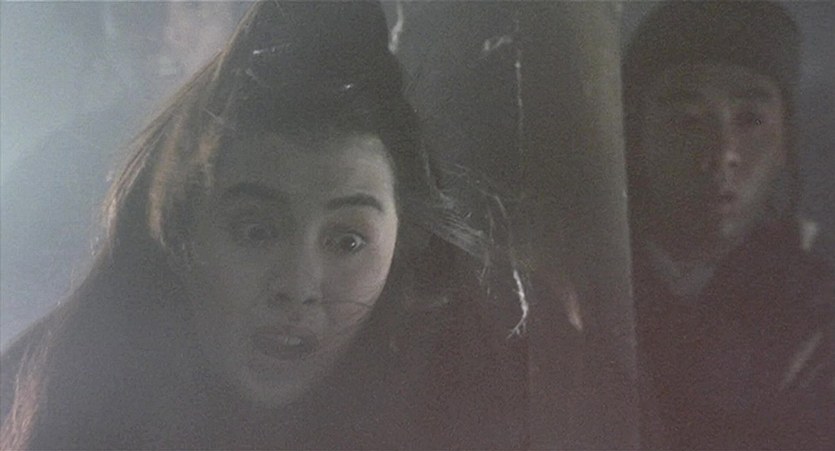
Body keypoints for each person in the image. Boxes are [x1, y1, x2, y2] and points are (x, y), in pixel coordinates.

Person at [0, 2, 526, 449]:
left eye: (348, 241)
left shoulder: (470, 399)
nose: (297, 287)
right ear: (182, 230)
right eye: (256, 232)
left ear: (405, 242)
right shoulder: (50, 391)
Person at [623, 2, 835, 449]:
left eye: (751, 120)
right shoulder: (569, 294)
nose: (722, 154)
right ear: (635, 139)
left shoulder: (817, 310)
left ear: (785, 144)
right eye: (687, 121)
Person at [0, 1, 246, 346]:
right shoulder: (53, 171)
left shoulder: (282, 155)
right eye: (139, 5)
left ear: (238, 19)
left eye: (193, 6)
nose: (165, 31)